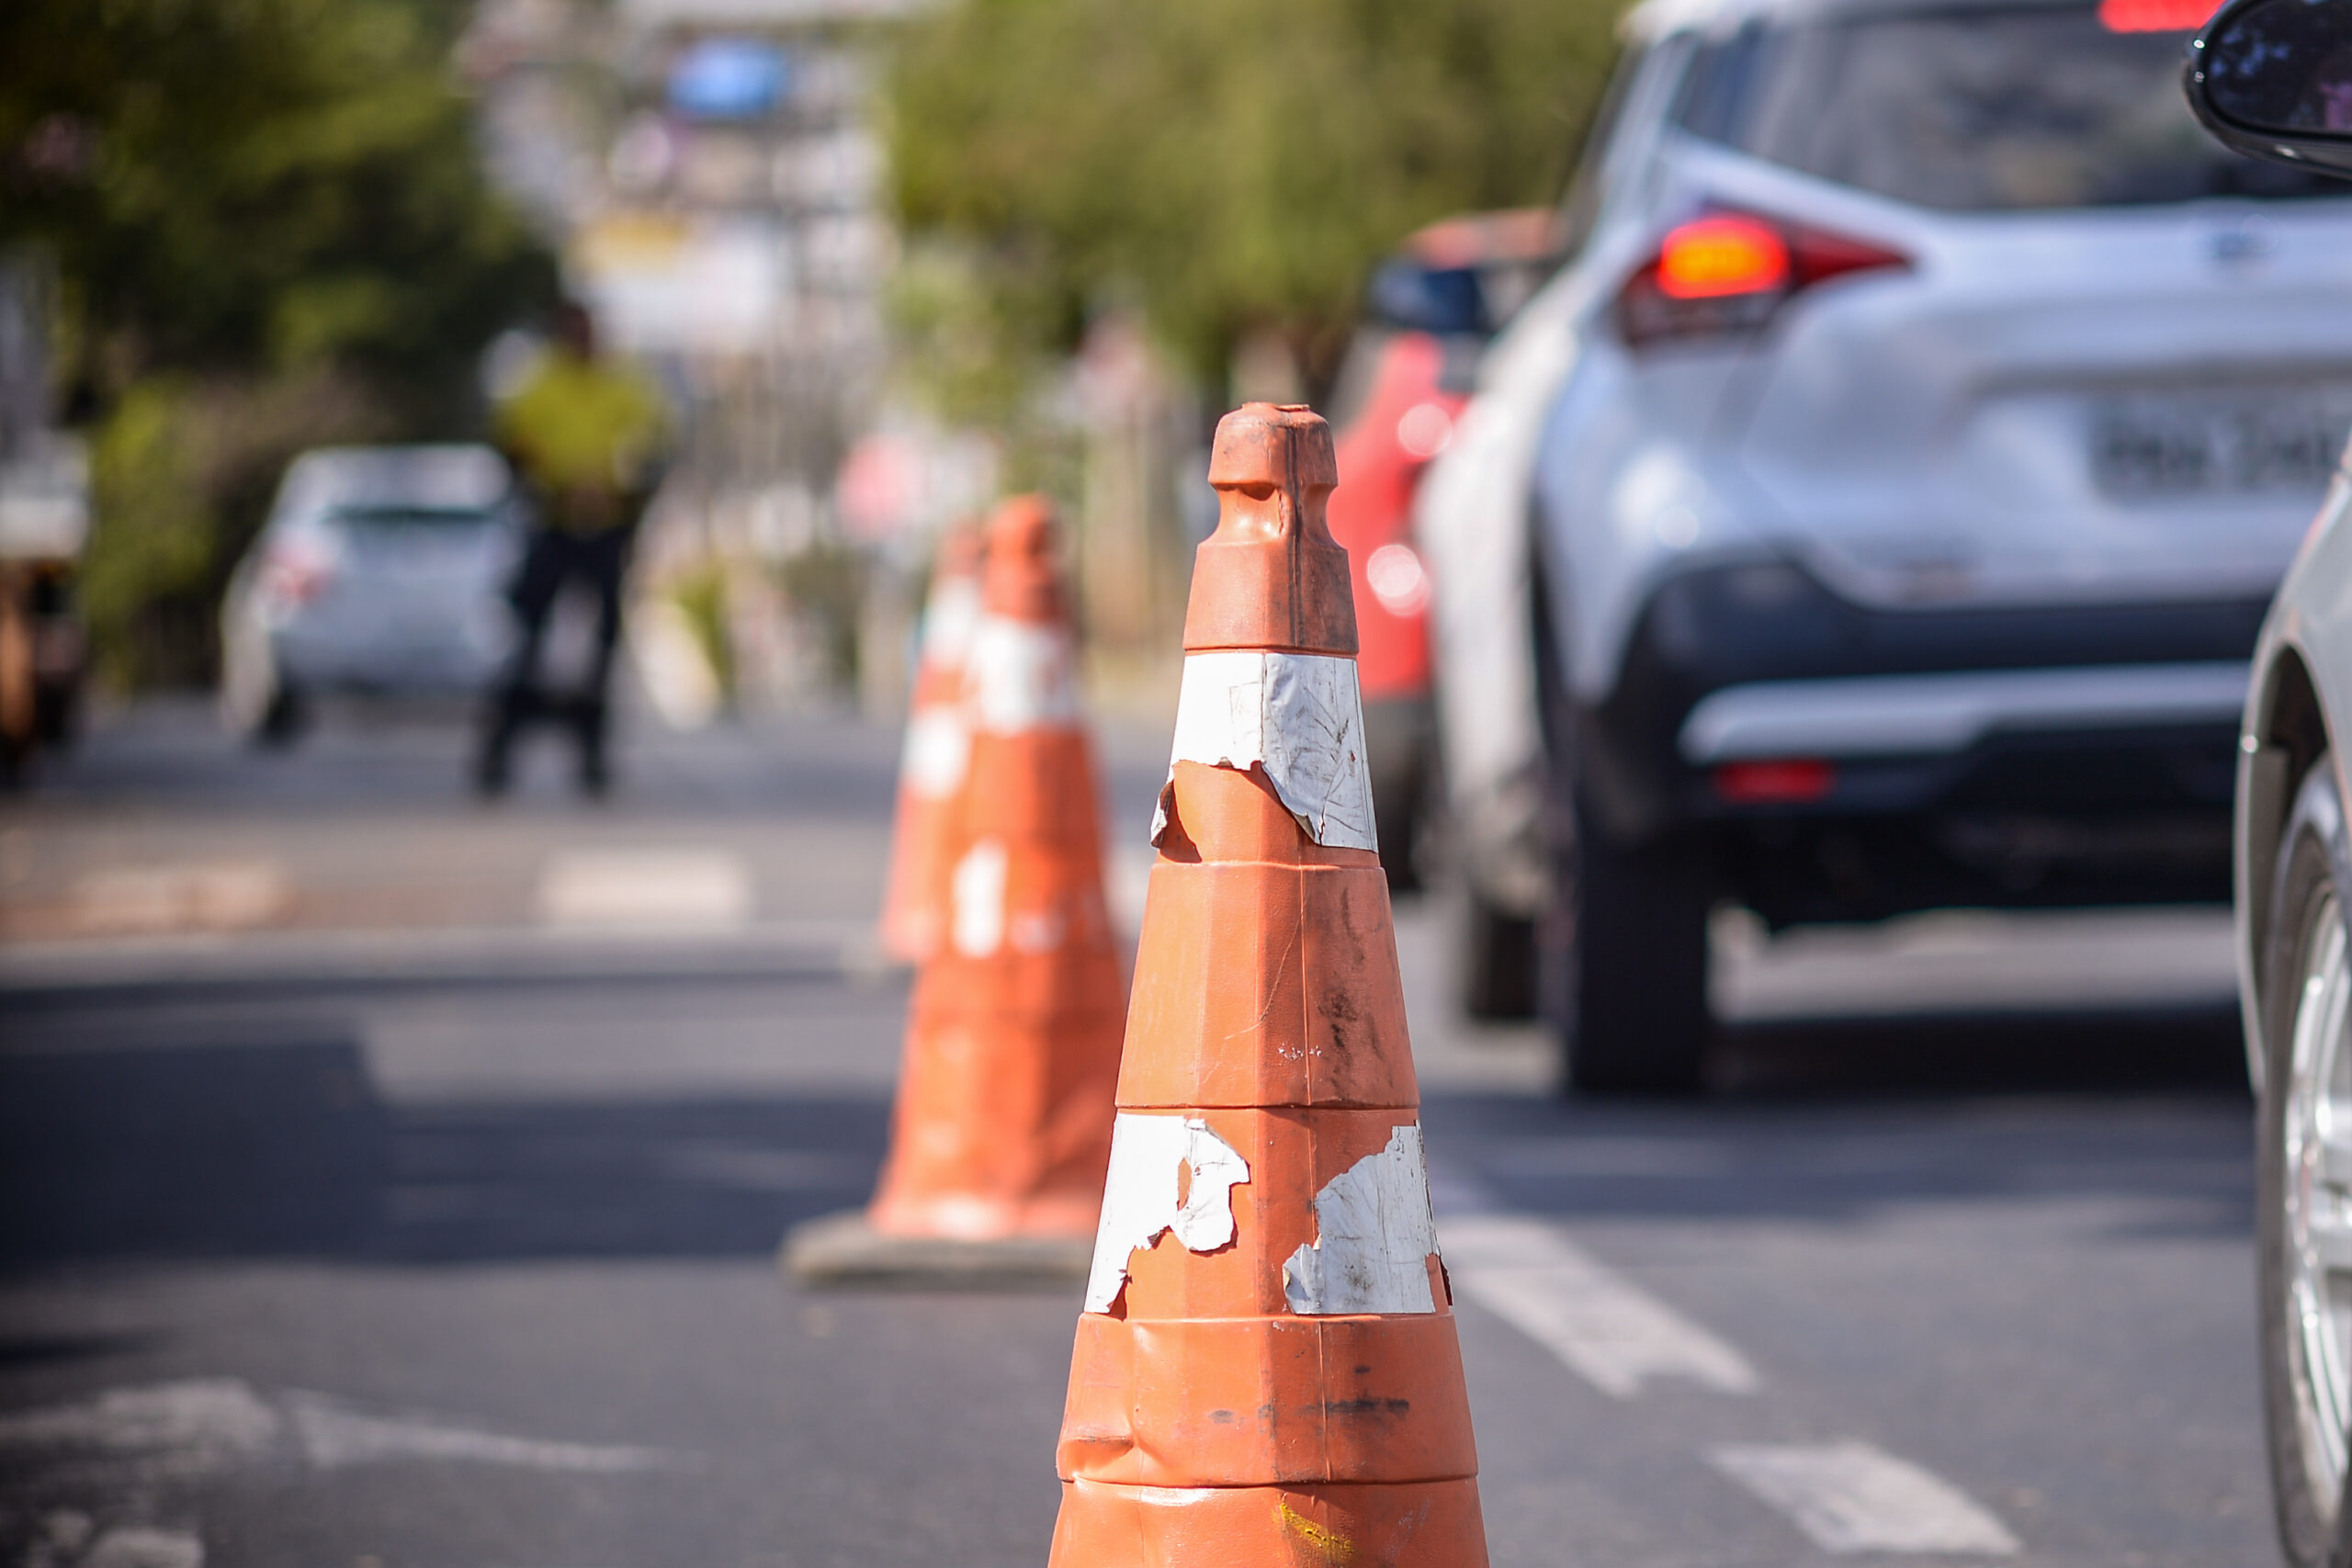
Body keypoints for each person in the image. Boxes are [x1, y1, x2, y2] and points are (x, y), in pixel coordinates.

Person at [476, 301, 668, 796]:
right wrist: (555, 488)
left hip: (608, 528)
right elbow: (511, 448)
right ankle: (498, 751)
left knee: (601, 648)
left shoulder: (626, 386)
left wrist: (621, 492)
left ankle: (592, 755)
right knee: (528, 641)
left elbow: (653, 446)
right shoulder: (537, 387)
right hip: (553, 526)